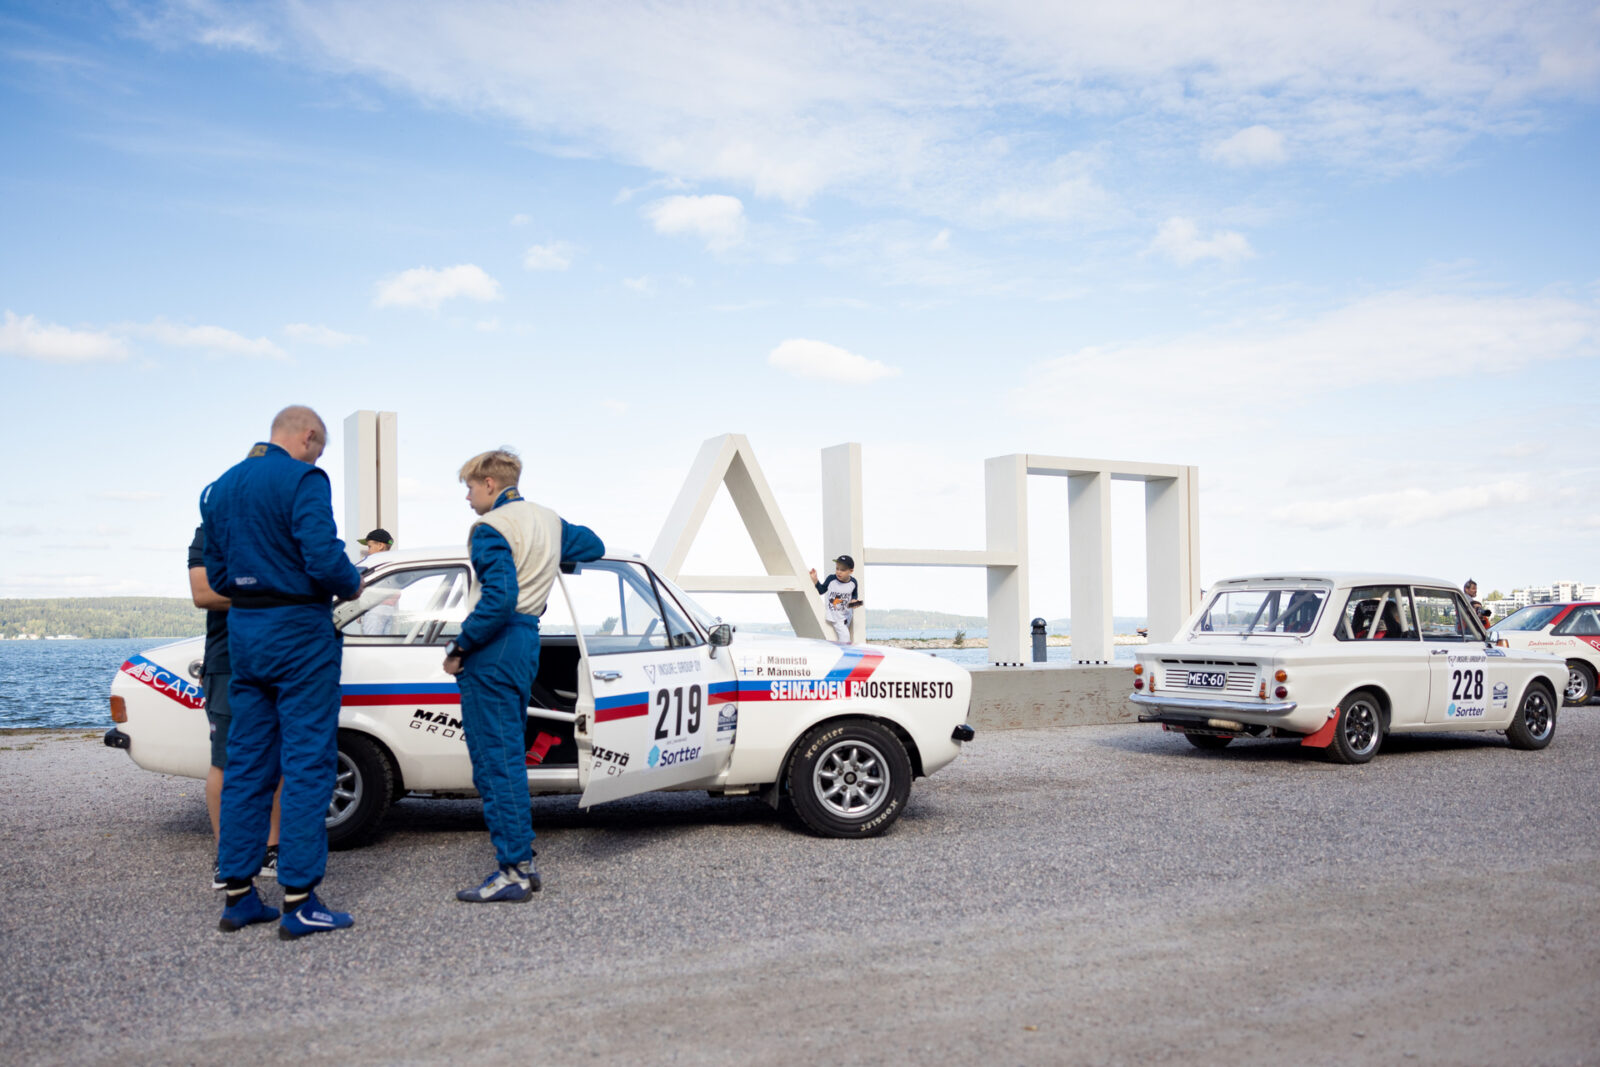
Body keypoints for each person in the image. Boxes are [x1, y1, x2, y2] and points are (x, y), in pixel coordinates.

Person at [201, 406, 363, 938]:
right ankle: (299, 899)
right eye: (318, 447)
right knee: (308, 762)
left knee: (246, 762)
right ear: (309, 436)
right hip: (298, 630)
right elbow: (322, 556)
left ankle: (239, 895)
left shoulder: (222, 485)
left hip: (245, 632)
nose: (318, 455)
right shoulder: (304, 478)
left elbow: (219, 573)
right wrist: (351, 582)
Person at [443, 449, 604, 903]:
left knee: (495, 763)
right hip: (525, 642)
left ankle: (512, 870)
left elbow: (498, 598)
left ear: (490, 484)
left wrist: (460, 647)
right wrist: (553, 558)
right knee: (509, 754)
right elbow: (593, 545)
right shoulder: (546, 520)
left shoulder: (490, 528)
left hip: (493, 645)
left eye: (470, 488)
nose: (469, 498)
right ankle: (521, 860)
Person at [188, 525, 280, 888]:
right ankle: (227, 856)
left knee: (281, 758)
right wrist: (273, 592)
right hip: (230, 660)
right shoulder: (213, 529)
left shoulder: (281, 521)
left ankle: (271, 850)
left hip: (281, 658)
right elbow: (203, 593)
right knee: (226, 761)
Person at [809, 555, 863, 644]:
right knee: (845, 638)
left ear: (851, 571)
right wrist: (815, 580)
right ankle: (845, 655)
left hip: (847, 615)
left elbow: (854, 594)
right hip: (835, 615)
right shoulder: (831, 579)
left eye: (843, 570)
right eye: (837, 568)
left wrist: (854, 600)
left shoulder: (853, 582)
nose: (839, 572)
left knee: (842, 636)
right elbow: (821, 590)